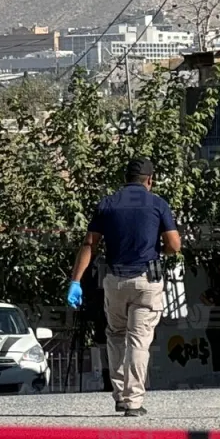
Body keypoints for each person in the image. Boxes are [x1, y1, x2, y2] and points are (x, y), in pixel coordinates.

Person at [68, 158, 181, 417]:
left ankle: (119, 395)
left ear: (125, 179)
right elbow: (174, 246)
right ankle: (133, 401)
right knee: (139, 340)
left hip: (115, 281)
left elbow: (89, 244)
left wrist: (75, 281)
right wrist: (157, 248)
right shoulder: (157, 204)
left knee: (116, 334)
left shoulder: (107, 204)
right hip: (146, 281)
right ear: (149, 180)